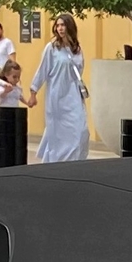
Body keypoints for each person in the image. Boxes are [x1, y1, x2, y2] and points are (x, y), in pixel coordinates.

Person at [31, 13, 90, 162]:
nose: (60, 28)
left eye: (63, 25)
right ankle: (56, 162)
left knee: (81, 131)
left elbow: (79, 71)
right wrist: (33, 91)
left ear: (70, 26)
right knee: (57, 134)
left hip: (74, 96)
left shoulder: (77, 49)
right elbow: (42, 70)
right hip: (56, 96)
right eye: (57, 25)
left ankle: (73, 162)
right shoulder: (51, 48)